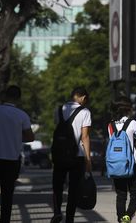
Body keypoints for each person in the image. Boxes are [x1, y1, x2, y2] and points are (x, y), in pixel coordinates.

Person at [0, 85, 35, 223]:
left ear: (5, 96)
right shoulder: (22, 115)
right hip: (12, 159)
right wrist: (16, 137)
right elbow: (31, 137)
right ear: (18, 99)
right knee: (7, 195)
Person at [51, 87, 92, 223]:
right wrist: (88, 159)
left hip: (59, 153)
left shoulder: (58, 110)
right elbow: (85, 137)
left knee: (57, 185)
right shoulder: (85, 112)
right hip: (77, 155)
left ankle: (57, 212)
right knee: (73, 189)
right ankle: (70, 219)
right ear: (83, 98)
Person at [107, 96, 136, 223]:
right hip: (132, 164)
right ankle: (128, 216)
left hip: (116, 165)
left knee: (121, 196)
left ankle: (120, 219)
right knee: (135, 195)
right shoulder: (132, 123)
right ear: (127, 109)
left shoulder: (110, 125)